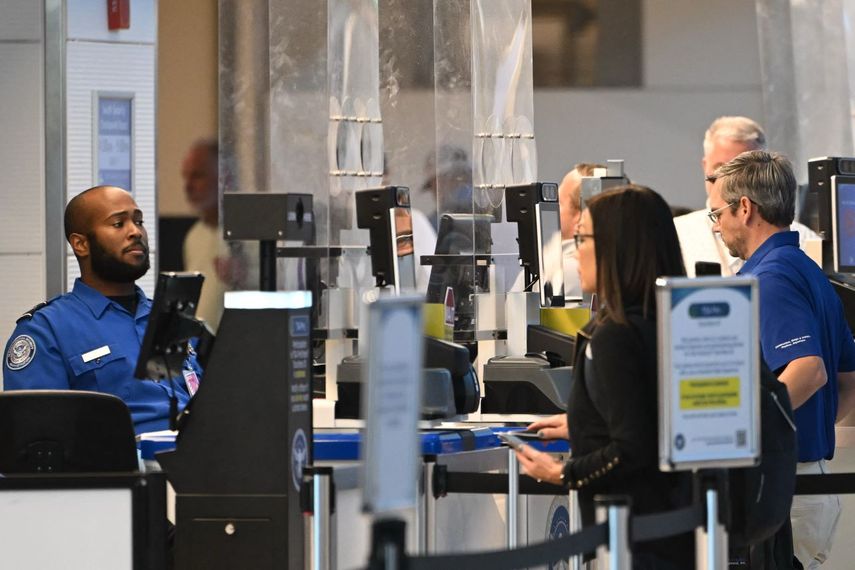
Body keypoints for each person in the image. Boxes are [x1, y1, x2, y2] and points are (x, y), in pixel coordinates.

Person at [516, 184, 694, 569]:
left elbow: (634, 448)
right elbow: (655, 413)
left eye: (581, 238)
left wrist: (563, 472)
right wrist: (582, 423)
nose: (574, 252)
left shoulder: (616, 334)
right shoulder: (668, 318)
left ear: (616, 246)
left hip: (636, 538)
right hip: (676, 530)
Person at [708, 150, 855, 568]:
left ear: (746, 208)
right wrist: (805, 426)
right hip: (805, 481)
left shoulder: (768, 279)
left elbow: (809, 370)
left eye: (718, 213)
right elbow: (849, 381)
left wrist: (746, 426)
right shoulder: (807, 272)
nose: (716, 225)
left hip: (784, 492)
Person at [3, 185, 200, 434]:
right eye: (118, 224)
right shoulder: (46, 330)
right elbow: (39, 442)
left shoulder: (170, 318)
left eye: (138, 221)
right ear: (81, 244)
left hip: (198, 460)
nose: (135, 232)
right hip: (119, 467)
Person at [674, 116, 819, 277]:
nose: (729, 178)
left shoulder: (806, 241)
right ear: (705, 165)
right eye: (720, 168)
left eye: (742, 168)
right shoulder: (676, 235)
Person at [181, 139, 250, 331]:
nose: (188, 186)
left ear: (224, 178)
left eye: (198, 176)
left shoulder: (251, 232)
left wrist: (246, 278)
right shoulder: (193, 236)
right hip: (200, 351)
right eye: (185, 177)